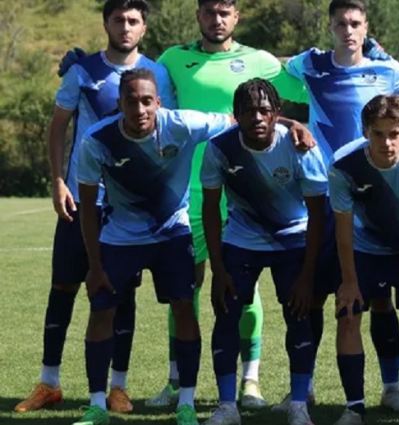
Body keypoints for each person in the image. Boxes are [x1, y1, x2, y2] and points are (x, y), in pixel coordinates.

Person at [282, 0, 399, 413]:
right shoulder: (310, 64)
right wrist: (290, 122)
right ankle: (303, 388)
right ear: (330, 26)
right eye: (341, 23)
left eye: (355, 23)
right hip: (328, 197)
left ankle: (392, 388)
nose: (348, 30)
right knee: (320, 297)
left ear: (366, 27)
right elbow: (269, 73)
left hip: (382, 197)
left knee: (379, 301)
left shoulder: (387, 71)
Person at [151, 0, 315, 408]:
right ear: (198, 15)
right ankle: (177, 380)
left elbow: (311, 88)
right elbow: (139, 90)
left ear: (236, 17)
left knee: (246, 287)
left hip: (244, 193)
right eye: (209, 11)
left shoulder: (260, 61)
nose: (217, 19)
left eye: (225, 12)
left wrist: (295, 123)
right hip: (187, 191)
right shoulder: (173, 59)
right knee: (184, 287)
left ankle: (250, 382)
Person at [15, 0, 175, 415]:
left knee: (122, 294)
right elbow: (58, 126)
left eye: (134, 20)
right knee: (63, 288)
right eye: (118, 19)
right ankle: (48, 381)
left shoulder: (159, 74)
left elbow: (166, 131)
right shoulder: (82, 70)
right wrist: (57, 180)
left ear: (144, 27)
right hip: (81, 198)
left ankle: (118, 387)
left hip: (129, 209)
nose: (126, 27)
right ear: (105, 23)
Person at [74, 69, 232, 425]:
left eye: (147, 101)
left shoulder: (183, 124)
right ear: (120, 104)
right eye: (131, 102)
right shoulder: (96, 140)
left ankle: (186, 404)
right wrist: (94, 266)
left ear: (159, 102)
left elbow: (239, 121)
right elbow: (88, 208)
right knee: (101, 312)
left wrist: (291, 124)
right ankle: (97, 405)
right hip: (119, 237)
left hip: (172, 235)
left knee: (184, 308)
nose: (140, 109)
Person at [201, 79, 328, 425]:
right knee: (226, 314)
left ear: (277, 114)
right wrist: (218, 269)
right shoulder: (219, 149)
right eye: (247, 111)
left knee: (298, 316)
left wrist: (307, 276)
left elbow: (318, 214)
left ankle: (298, 404)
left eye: (264, 110)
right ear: (236, 115)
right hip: (241, 241)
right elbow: (210, 209)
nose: (256, 117)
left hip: (293, 240)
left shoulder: (301, 147)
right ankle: (227, 406)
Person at [329, 95, 399, 425]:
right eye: (378, 134)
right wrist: (349, 282)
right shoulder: (343, 164)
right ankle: (354, 407)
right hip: (364, 250)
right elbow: (342, 228)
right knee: (349, 314)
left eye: (394, 133)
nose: (387, 142)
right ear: (365, 131)